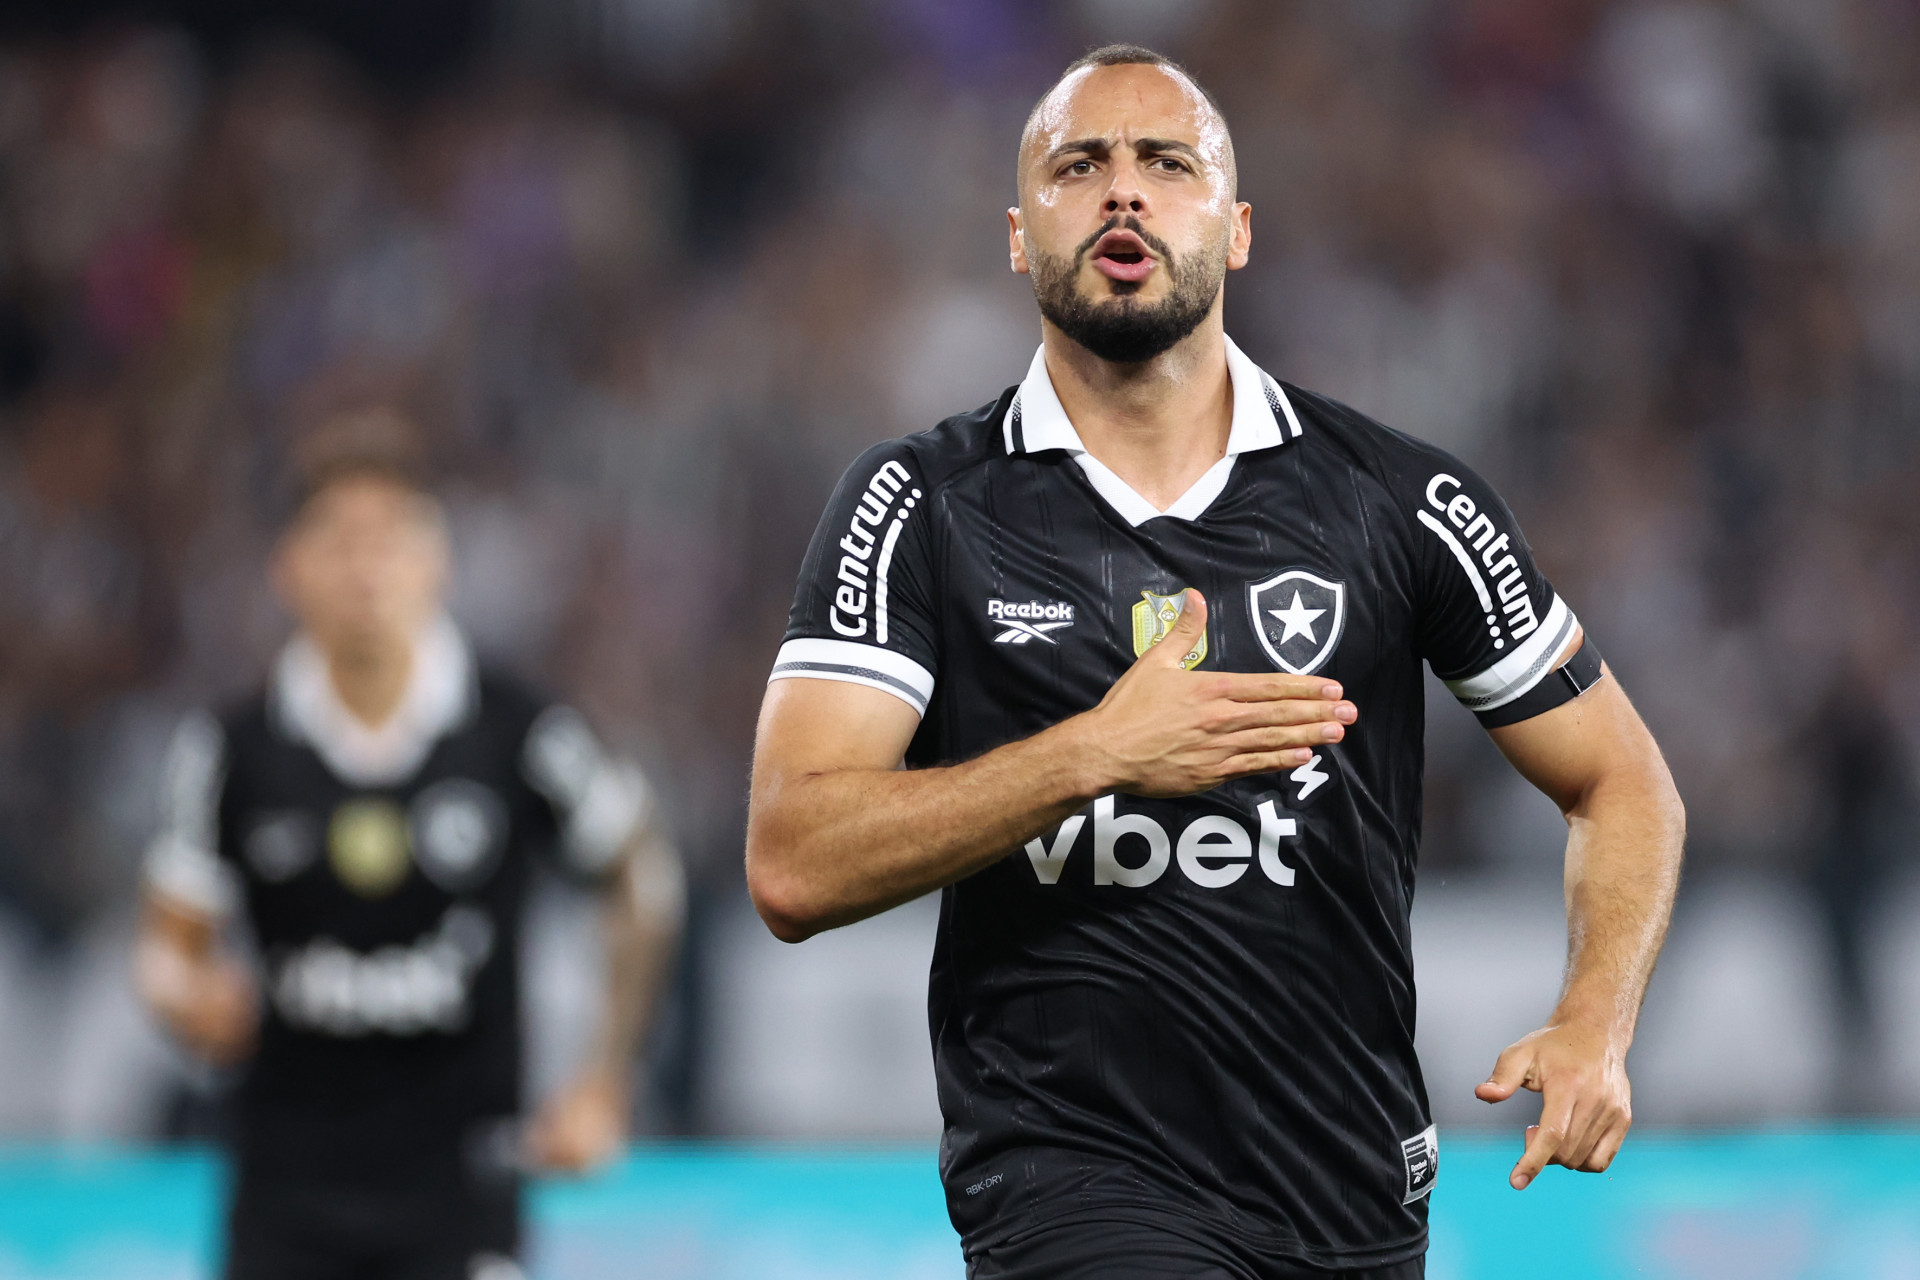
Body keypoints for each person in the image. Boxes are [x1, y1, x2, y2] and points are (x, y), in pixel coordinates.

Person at [745, 44, 1684, 1280]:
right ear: (1020, 238)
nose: (1123, 191)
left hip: (1350, 1189)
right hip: (1072, 1187)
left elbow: (1624, 783)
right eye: (1078, 166)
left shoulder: (1399, 499)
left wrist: (1594, 1020)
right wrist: (1093, 754)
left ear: (1236, 231)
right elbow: (793, 857)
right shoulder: (918, 506)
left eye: (1167, 163)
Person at [136, 426, 684, 1280]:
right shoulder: (230, 750)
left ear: (439, 561)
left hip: (464, 1193)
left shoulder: (520, 732)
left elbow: (640, 875)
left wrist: (604, 1079)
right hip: (286, 1201)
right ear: (287, 568)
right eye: (338, 541)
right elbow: (167, 946)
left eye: (390, 539)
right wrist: (186, 996)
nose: (366, 568)